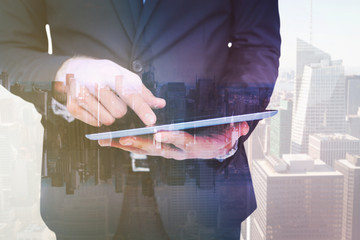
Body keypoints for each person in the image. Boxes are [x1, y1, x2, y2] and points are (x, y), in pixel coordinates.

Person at [0, 0, 280, 239]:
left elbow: (257, 43)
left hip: (205, 192)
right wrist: (62, 75)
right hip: (83, 195)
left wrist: (226, 126)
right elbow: (8, 47)